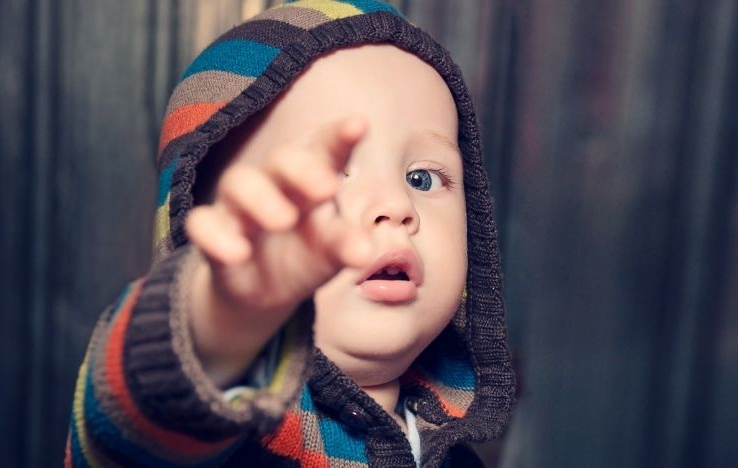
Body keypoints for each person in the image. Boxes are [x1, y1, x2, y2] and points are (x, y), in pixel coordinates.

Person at [66, 1, 515, 466]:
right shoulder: (227, 433)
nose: (397, 207)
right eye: (327, 174)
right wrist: (218, 319)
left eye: (422, 178)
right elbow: (135, 426)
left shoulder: (454, 456)